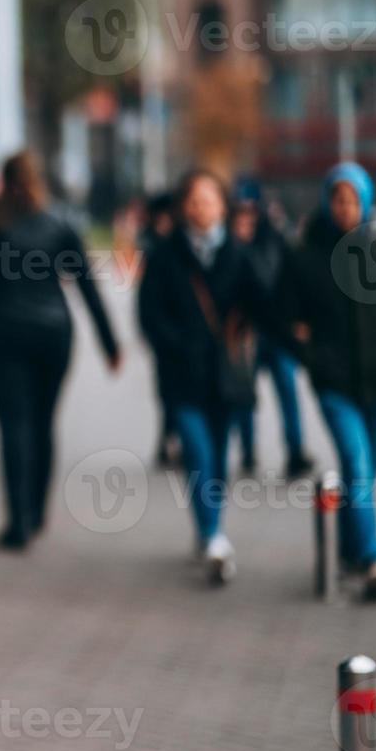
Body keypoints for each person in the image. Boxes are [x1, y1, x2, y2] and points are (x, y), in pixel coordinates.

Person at [0, 151, 121, 551]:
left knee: (12, 424)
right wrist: (111, 344)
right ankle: (36, 513)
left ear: (2, 181)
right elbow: (88, 286)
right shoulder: (61, 223)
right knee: (42, 422)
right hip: (53, 334)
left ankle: (18, 520)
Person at [138, 170, 267, 585]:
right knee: (197, 452)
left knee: (216, 458)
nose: (201, 208)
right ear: (182, 207)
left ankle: (208, 528)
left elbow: (261, 302)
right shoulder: (164, 254)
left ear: (223, 206)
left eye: (209, 200)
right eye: (194, 201)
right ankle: (214, 535)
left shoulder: (238, 252)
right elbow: (148, 313)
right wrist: (176, 345)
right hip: (181, 376)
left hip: (225, 377)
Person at [282, 162, 376, 599]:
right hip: (335, 385)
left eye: (354, 199)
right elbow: (284, 316)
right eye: (338, 199)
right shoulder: (305, 256)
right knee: (356, 464)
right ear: (326, 201)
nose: (346, 208)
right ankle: (372, 560)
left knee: (365, 472)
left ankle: (347, 549)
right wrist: (311, 357)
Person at [230, 177, 313, 479]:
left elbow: (290, 281)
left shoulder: (275, 240)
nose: (246, 217)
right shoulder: (228, 247)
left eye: (251, 210)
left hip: (278, 333)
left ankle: (295, 452)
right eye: (241, 211)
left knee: (288, 393)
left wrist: (298, 321)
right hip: (245, 333)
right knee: (244, 396)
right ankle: (248, 453)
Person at [139, 191, 182, 469]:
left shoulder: (182, 246)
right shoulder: (152, 247)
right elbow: (146, 301)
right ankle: (167, 439)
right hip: (163, 332)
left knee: (181, 389)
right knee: (166, 388)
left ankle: (174, 440)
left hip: (186, 329)